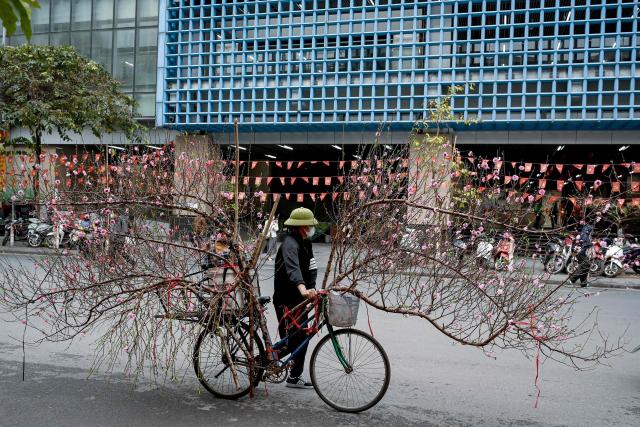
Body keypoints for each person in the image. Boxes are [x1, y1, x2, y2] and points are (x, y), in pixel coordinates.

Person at [273, 207, 318, 389]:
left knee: (303, 337)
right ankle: (267, 359)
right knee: (291, 341)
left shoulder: (306, 242)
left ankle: (294, 376)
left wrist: (312, 288)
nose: (312, 228)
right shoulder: (290, 243)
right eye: (309, 225)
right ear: (302, 227)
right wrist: (302, 288)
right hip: (286, 299)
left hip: (300, 299)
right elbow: (293, 269)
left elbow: (312, 266)